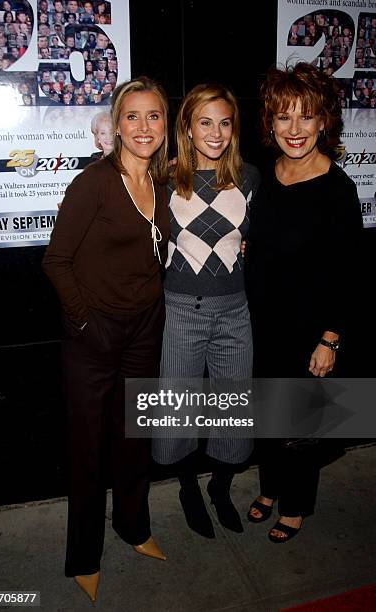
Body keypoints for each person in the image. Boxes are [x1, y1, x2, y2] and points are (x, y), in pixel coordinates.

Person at [42, 76, 170, 603]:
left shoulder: (164, 181)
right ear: (116, 126)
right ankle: (84, 556)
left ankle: (134, 527)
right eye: (133, 117)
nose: (144, 127)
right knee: (89, 449)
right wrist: (86, 321)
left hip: (145, 329)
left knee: (133, 437)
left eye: (154, 116)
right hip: (94, 335)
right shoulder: (93, 182)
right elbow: (56, 261)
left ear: (166, 124)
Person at [244, 62, 363, 542]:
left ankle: (294, 506)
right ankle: (271, 487)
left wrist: (330, 338)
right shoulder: (263, 176)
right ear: (270, 122)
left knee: (300, 421)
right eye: (284, 117)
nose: (295, 130)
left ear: (323, 122)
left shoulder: (338, 190)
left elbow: (352, 273)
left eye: (306, 117)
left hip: (310, 330)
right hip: (261, 322)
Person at [152, 84, 260, 538]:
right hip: (181, 312)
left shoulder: (252, 177)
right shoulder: (163, 181)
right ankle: (187, 488)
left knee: (231, 414)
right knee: (179, 414)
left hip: (235, 312)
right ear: (187, 128)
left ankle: (218, 487)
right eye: (204, 122)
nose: (216, 133)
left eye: (225, 122)